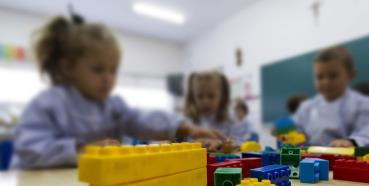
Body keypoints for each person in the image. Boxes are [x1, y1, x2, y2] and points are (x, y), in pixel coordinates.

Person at [13, 16, 223, 169]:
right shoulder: (49, 103)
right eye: (97, 69)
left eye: (113, 70)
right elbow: (29, 148)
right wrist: (82, 150)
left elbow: (141, 119)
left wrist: (184, 128)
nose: (108, 78)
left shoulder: (112, 106)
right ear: (68, 67)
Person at [292, 46, 369, 149]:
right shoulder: (306, 107)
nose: (326, 82)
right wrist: (288, 133)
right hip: (310, 159)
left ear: (351, 75)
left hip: (346, 160)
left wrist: (352, 141)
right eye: (320, 77)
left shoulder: (363, 104)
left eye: (333, 76)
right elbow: (296, 128)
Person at [184, 71, 252, 146]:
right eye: (200, 96)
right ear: (192, 97)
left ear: (222, 96)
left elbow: (241, 143)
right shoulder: (188, 121)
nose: (205, 101)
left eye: (211, 96)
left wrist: (221, 144)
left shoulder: (231, 119)